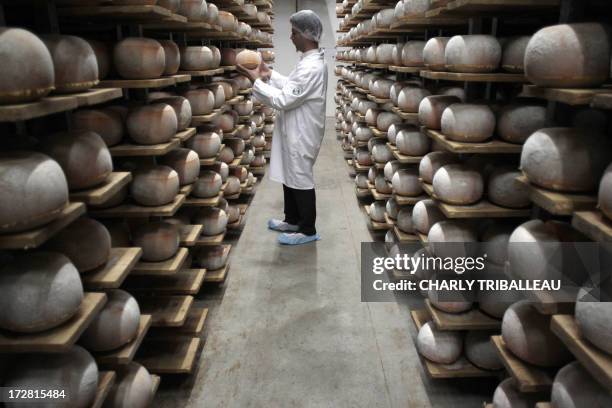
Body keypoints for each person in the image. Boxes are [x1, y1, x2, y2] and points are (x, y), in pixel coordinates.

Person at [237, 10, 328, 246]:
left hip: (302, 133)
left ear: (307, 36)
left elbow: (284, 100)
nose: (291, 37)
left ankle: (307, 230)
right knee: (291, 174)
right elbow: (292, 86)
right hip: (295, 129)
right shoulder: (308, 62)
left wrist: (255, 81)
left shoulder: (311, 68)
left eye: (294, 33)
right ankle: (293, 219)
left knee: (300, 177)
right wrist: (270, 75)